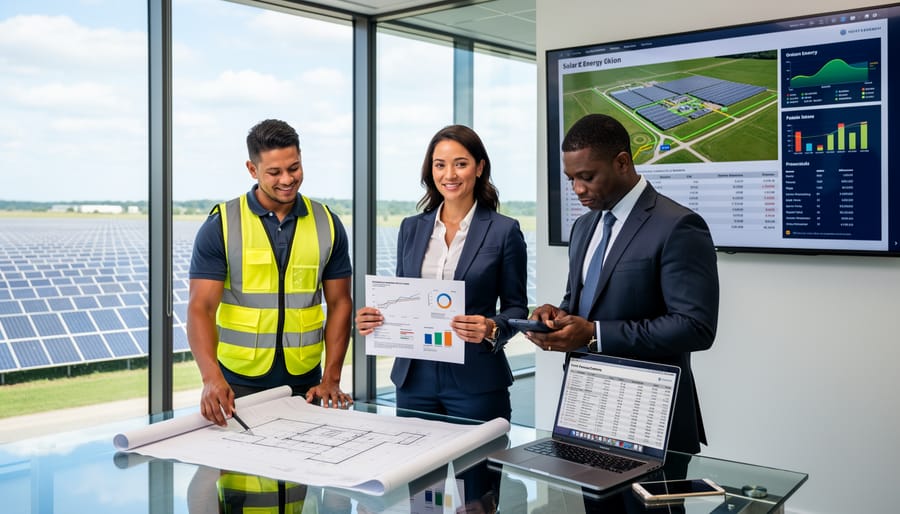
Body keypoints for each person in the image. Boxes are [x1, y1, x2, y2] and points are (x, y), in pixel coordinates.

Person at [526, 114, 719, 454]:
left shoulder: (679, 226)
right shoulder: (583, 227)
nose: (577, 189)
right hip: (584, 410)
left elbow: (695, 327)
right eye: (570, 179)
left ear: (622, 162)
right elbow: (580, 304)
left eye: (587, 177)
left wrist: (594, 334)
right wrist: (555, 316)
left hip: (651, 419)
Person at [187, 118, 353, 428]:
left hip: (307, 383)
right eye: (274, 172)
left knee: (302, 471)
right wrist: (211, 378)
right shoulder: (221, 224)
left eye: (295, 168)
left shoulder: (327, 223)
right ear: (252, 169)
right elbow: (201, 307)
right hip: (237, 384)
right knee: (241, 474)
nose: (288, 179)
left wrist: (332, 377)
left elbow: (341, 302)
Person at [355, 125, 528, 422]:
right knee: (416, 469)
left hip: (476, 381)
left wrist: (491, 327)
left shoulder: (504, 231)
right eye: (440, 165)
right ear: (430, 171)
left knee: (476, 469)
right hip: (414, 379)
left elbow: (517, 308)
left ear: (479, 168)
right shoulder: (410, 228)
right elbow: (400, 296)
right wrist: (374, 317)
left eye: (460, 164)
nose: (449, 175)